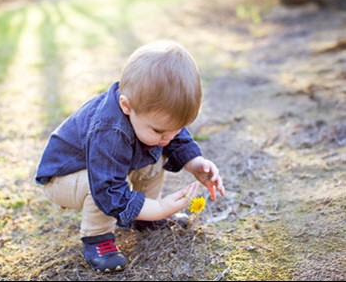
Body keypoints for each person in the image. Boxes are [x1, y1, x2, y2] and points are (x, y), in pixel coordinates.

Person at [35, 40, 225, 272]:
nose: (168, 138)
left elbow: (173, 136)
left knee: (156, 155)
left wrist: (195, 164)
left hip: (99, 169)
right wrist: (160, 207)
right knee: (104, 185)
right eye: (158, 130)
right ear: (126, 106)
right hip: (63, 177)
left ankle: (144, 218)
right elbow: (107, 188)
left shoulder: (151, 118)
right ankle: (98, 239)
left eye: (175, 129)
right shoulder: (109, 130)